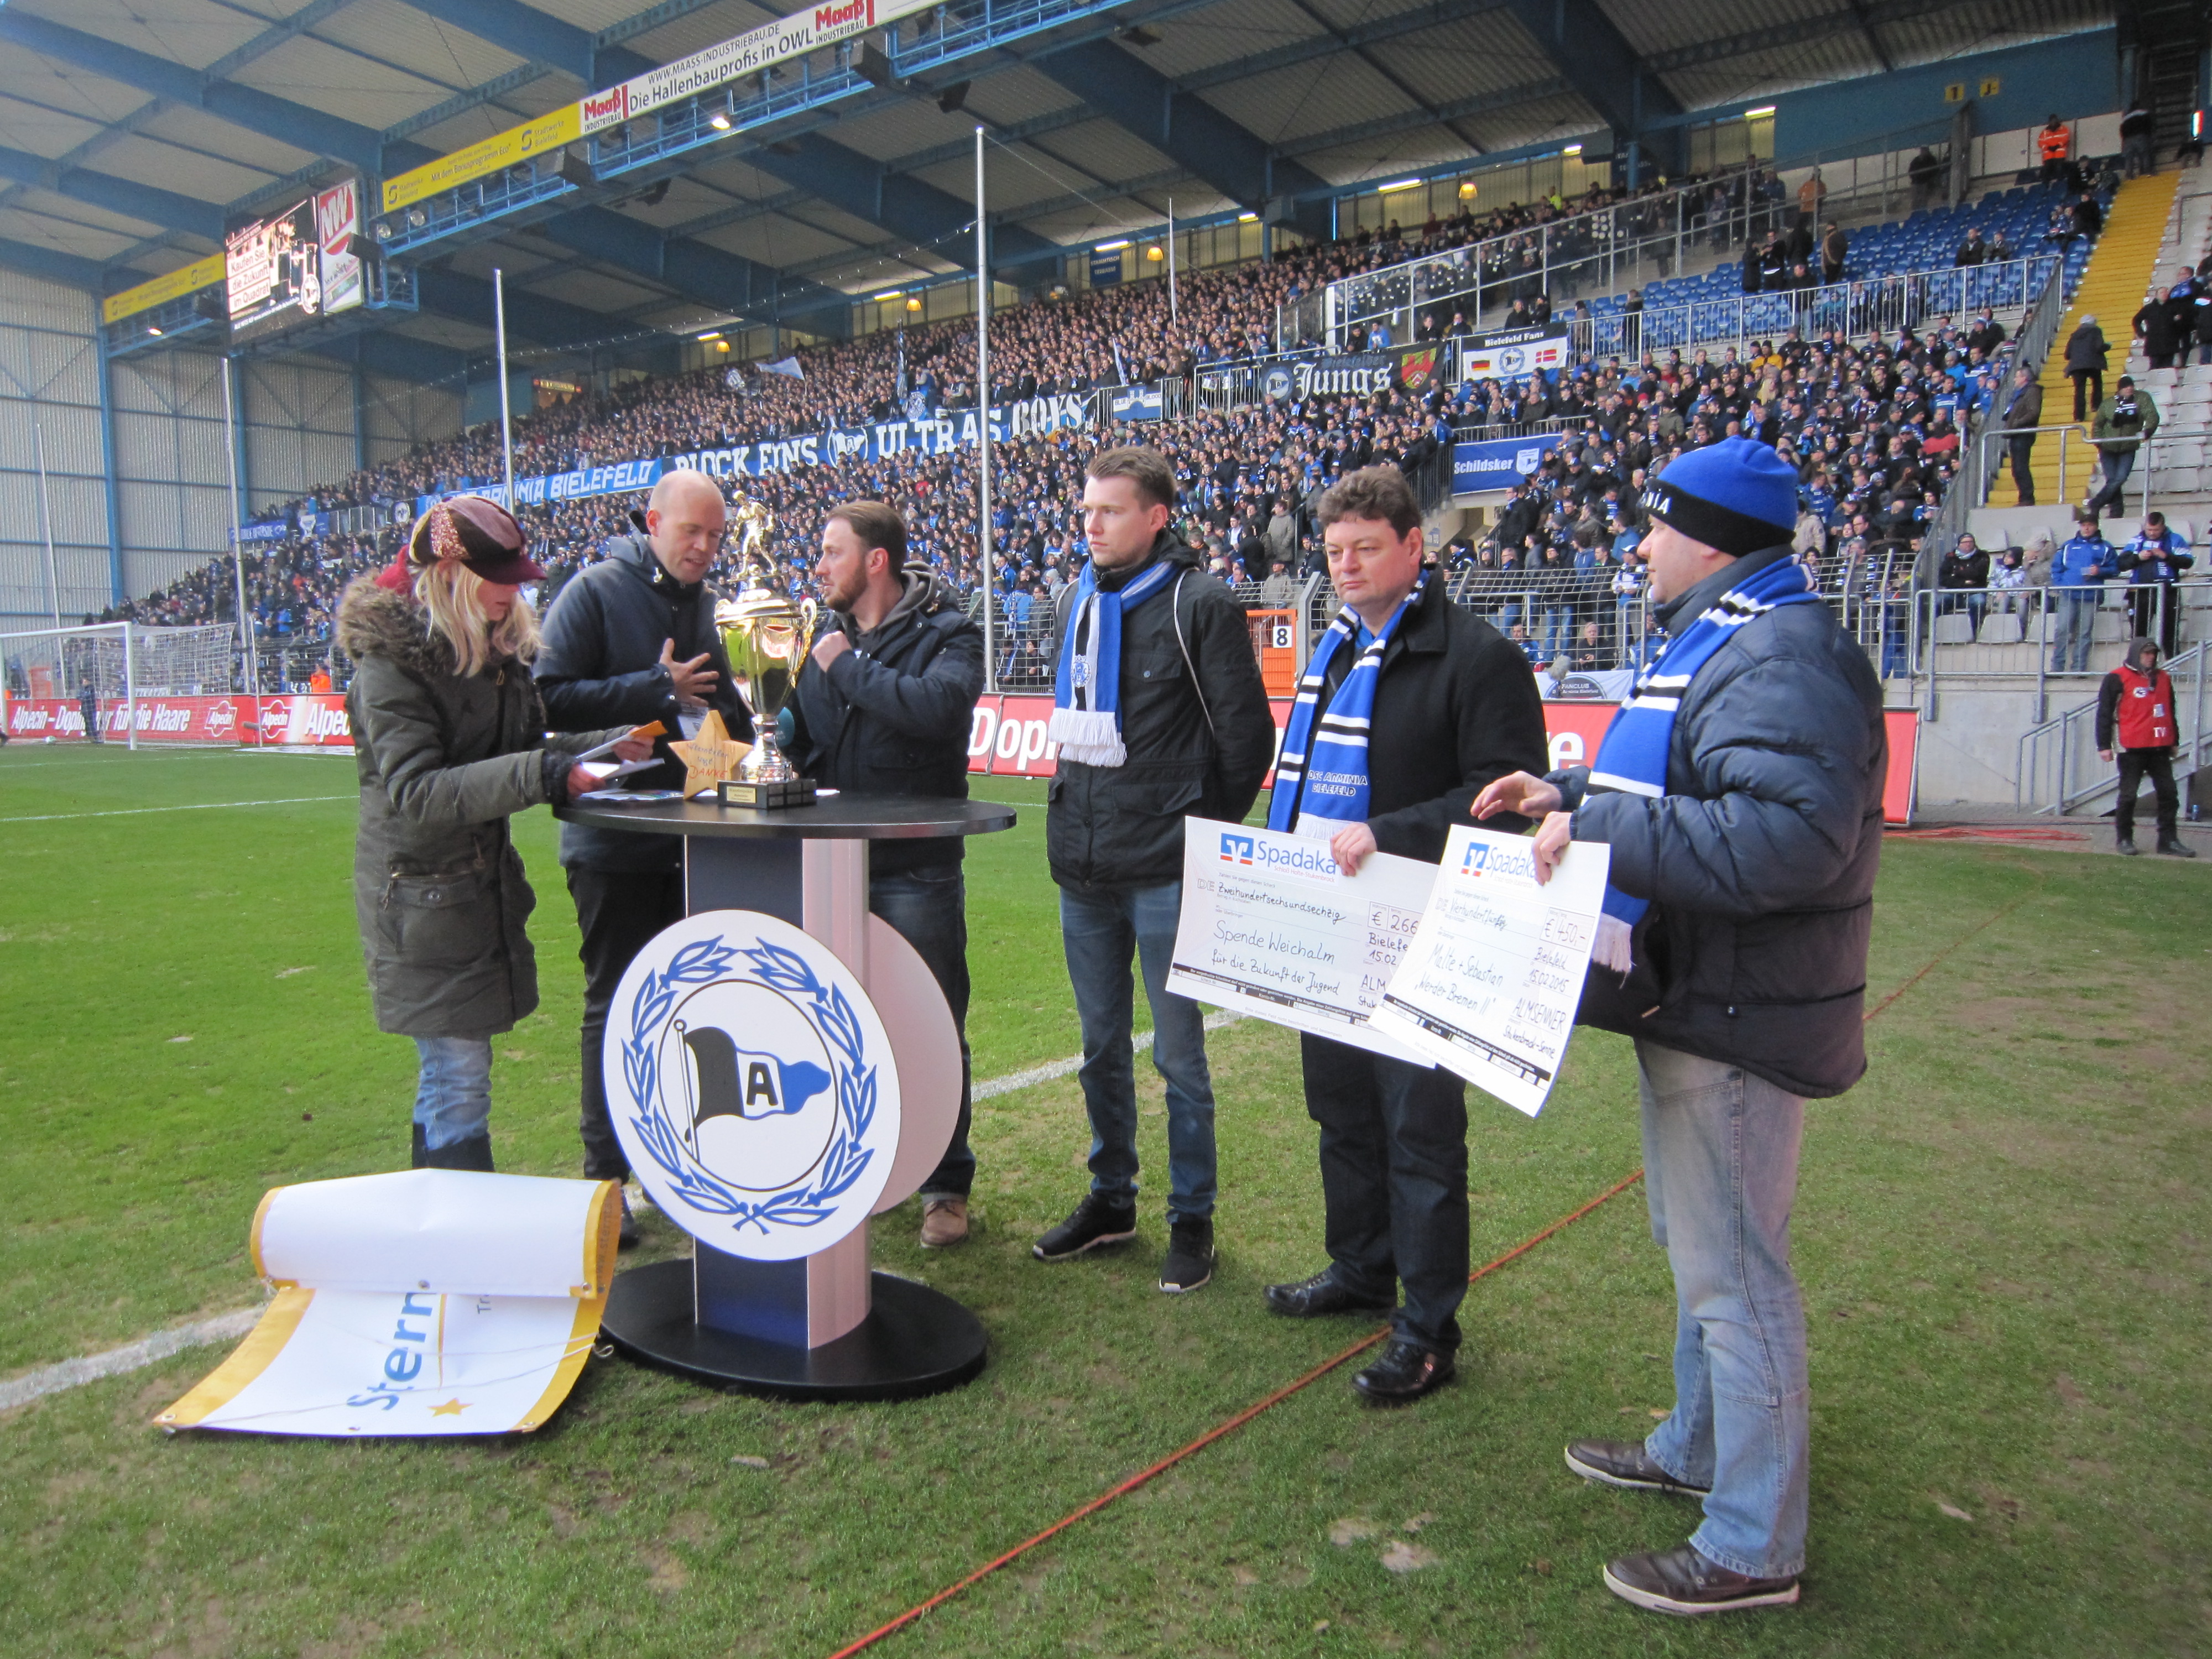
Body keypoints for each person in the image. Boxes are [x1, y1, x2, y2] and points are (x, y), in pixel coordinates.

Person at [1473, 439, 1887, 1616]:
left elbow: (1788, 841)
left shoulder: (1780, 651)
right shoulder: (1742, 637)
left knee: (1734, 1276)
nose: (1640, 544)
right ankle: (1698, 1447)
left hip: (1739, 1009)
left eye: (1657, 526)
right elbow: (1690, 793)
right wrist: (1571, 798)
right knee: (1701, 1251)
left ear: (1706, 540)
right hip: (1703, 993)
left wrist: (1602, 832)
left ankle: (1753, 1546)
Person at [1261, 466, 1548, 1404]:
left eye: (1365, 548)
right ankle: (1360, 1270)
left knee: (1420, 1132)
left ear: (1415, 547)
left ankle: (1427, 1329)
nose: (1345, 566)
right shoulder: (1335, 652)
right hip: (1330, 924)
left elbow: (1508, 802)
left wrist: (1390, 832)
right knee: (1340, 1110)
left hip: (1427, 929)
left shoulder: (1479, 658)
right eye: (1334, 551)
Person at [338, 496, 649, 1172]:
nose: (515, 593)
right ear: (451, 575)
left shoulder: (490, 651)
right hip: (421, 900)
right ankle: (455, 1224)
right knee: (458, 1080)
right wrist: (545, 772)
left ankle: (446, 1217)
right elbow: (419, 792)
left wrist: (610, 744)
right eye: (500, 579)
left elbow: (524, 746)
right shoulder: (391, 667)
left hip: (467, 894)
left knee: (455, 1079)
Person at [1035, 445, 1275, 1292]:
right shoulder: (1075, 598)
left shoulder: (1199, 602)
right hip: (1083, 866)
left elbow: (1247, 739)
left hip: (1166, 872)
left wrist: (1196, 833)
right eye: (1086, 510)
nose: (1092, 525)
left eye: (1110, 511)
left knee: (1179, 1059)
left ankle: (1192, 1218)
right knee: (1099, 1048)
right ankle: (1112, 1199)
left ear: (1156, 516)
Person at [535, 470, 752, 1240]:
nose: (704, 547)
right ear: (652, 522)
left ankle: (676, 1167)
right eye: (692, 531)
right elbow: (546, 697)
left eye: (716, 536)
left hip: (694, 841)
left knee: (689, 1011)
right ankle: (605, 1182)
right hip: (611, 842)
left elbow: (720, 713)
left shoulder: (700, 606)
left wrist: (744, 726)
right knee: (615, 1006)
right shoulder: (593, 591)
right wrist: (655, 687)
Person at [787, 500, 986, 1248]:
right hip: (831, 866)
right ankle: (859, 1168)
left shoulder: (948, 632)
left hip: (915, 867)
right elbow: (798, 738)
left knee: (932, 1026)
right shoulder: (818, 637)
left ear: (876, 561)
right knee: (837, 1028)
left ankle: (946, 1187)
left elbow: (936, 710)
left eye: (832, 552)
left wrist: (846, 665)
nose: (819, 566)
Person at [2098, 639, 2196, 857]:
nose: (2151, 657)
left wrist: (2174, 740)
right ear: (2136, 654)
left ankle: (2168, 840)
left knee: (2169, 794)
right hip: (2131, 748)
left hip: (2159, 747)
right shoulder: (2117, 678)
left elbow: (2170, 710)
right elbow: (2105, 713)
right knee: (2128, 796)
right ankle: (2124, 838)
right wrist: (2104, 745)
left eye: (2153, 654)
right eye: (2147, 653)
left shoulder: (2163, 678)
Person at [2116, 510, 2194, 656]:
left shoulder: (2175, 539)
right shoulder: (2137, 541)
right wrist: (2138, 558)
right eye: (2149, 530)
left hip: (2168, 593)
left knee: (2169, 634)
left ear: (2163, 527)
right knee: (2139, 636)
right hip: (2140, 593)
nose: (2152, 533)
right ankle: (2138, 666)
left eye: (2156, 530)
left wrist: (2166, 556)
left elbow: (2188, 562)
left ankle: (2172, 666)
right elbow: (2121, 564)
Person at [2086, 375, 2158, 520]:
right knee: (2113, 480)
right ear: (2120, 389)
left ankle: (2097, 503)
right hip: (2107, 447)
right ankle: (2116, 512)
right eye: (2126, 387)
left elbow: (2152, 415)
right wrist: (2099, 442)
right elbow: (2098, 424)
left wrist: (2148, 431)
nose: (2130, 389)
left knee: (2120, 478)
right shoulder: (2108, 404)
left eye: (2131, 386)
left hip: (2128, 446)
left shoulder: (2142, 398)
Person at [2049, 512, 2110, 674]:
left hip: (2091, 595)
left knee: (2084, 633)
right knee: (2062, 630)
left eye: (2090, 525)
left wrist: (2100, 571)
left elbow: (2115, 568)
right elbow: (2056, 568)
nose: (2086, 528)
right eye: (2084, 525)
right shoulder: (2068, 546)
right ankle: (2057, 668)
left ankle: (2079, 669)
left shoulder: (2106, 547)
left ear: (2096, 526)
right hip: (2069, 594)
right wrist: (2061, 585)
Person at [2000, 367, 2043, 505]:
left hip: (2023, 433)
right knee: (2017, 468)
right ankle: (2024, 497)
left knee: (2020, 467)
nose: (2015, 379)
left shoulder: (2032, 391)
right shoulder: (2022, 393)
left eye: (2017, 376)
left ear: (2024, 378)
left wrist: (2017, 423)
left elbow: (2034, 412)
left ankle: (2027, 498)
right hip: (2016, 433)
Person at [2064, 315, 2107, 423]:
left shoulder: (2074, 335)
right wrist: (2108, 346)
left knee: (2079, 390)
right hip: (2093, 363)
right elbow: (2099, 347)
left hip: (2076, 366)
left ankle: (2079, 416)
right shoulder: (2096, 331)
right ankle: (2096, 406)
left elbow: (2067, 355)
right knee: (2097, 383)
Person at [2120, 102, 2155, 176]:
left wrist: (2125, 139)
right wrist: (2149, 135)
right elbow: (2149, 125)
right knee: (2145, 154)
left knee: (2129, 158)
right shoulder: (2144, 113)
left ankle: (2129, 174)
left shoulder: (2126, 118)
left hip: (2128, 140)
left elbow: (2122, 130)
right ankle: (2147, 171)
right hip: (2141, 136)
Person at [2038, 114, 2073, 184]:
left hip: (2060, 153)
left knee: (2059, 168)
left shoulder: (2064, 129)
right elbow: (2040, 142)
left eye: (2055, 121)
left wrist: (2058, 145)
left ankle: (2060, 183)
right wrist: (2048, 147)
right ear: (2049, 122)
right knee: (2047, 170)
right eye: (2052, 121)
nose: (2053, 122)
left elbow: (2066, 138)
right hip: (2048, 155)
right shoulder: (2045, 132)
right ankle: (2046, 185)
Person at [1907, 146, 1942, 211]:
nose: (1923, 151)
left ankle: (1923, 212)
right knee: (1915, 199)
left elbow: (1934, 171)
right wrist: (1914, 178)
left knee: (1923, 199)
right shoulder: (1916, 160)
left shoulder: (1931, 159)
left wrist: (1929, 179)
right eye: (1922, 150)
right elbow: (1911, 171)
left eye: (1924, 150)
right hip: (1916, 182)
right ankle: (1915, 212)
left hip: (1925, 182)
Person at [79, 677, 101, 744]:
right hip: (84, 709)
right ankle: (89, 736)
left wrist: (83, 697)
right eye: (83, 682)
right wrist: (82, 697)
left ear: (89, 682)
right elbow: (78, 696)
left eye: (85, 682)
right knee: (87, 723)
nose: (84, 683)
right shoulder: (83, 689)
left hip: (91, 708)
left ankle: (95, 736)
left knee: (92, 723)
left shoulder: (91, 688)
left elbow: (87, 696)